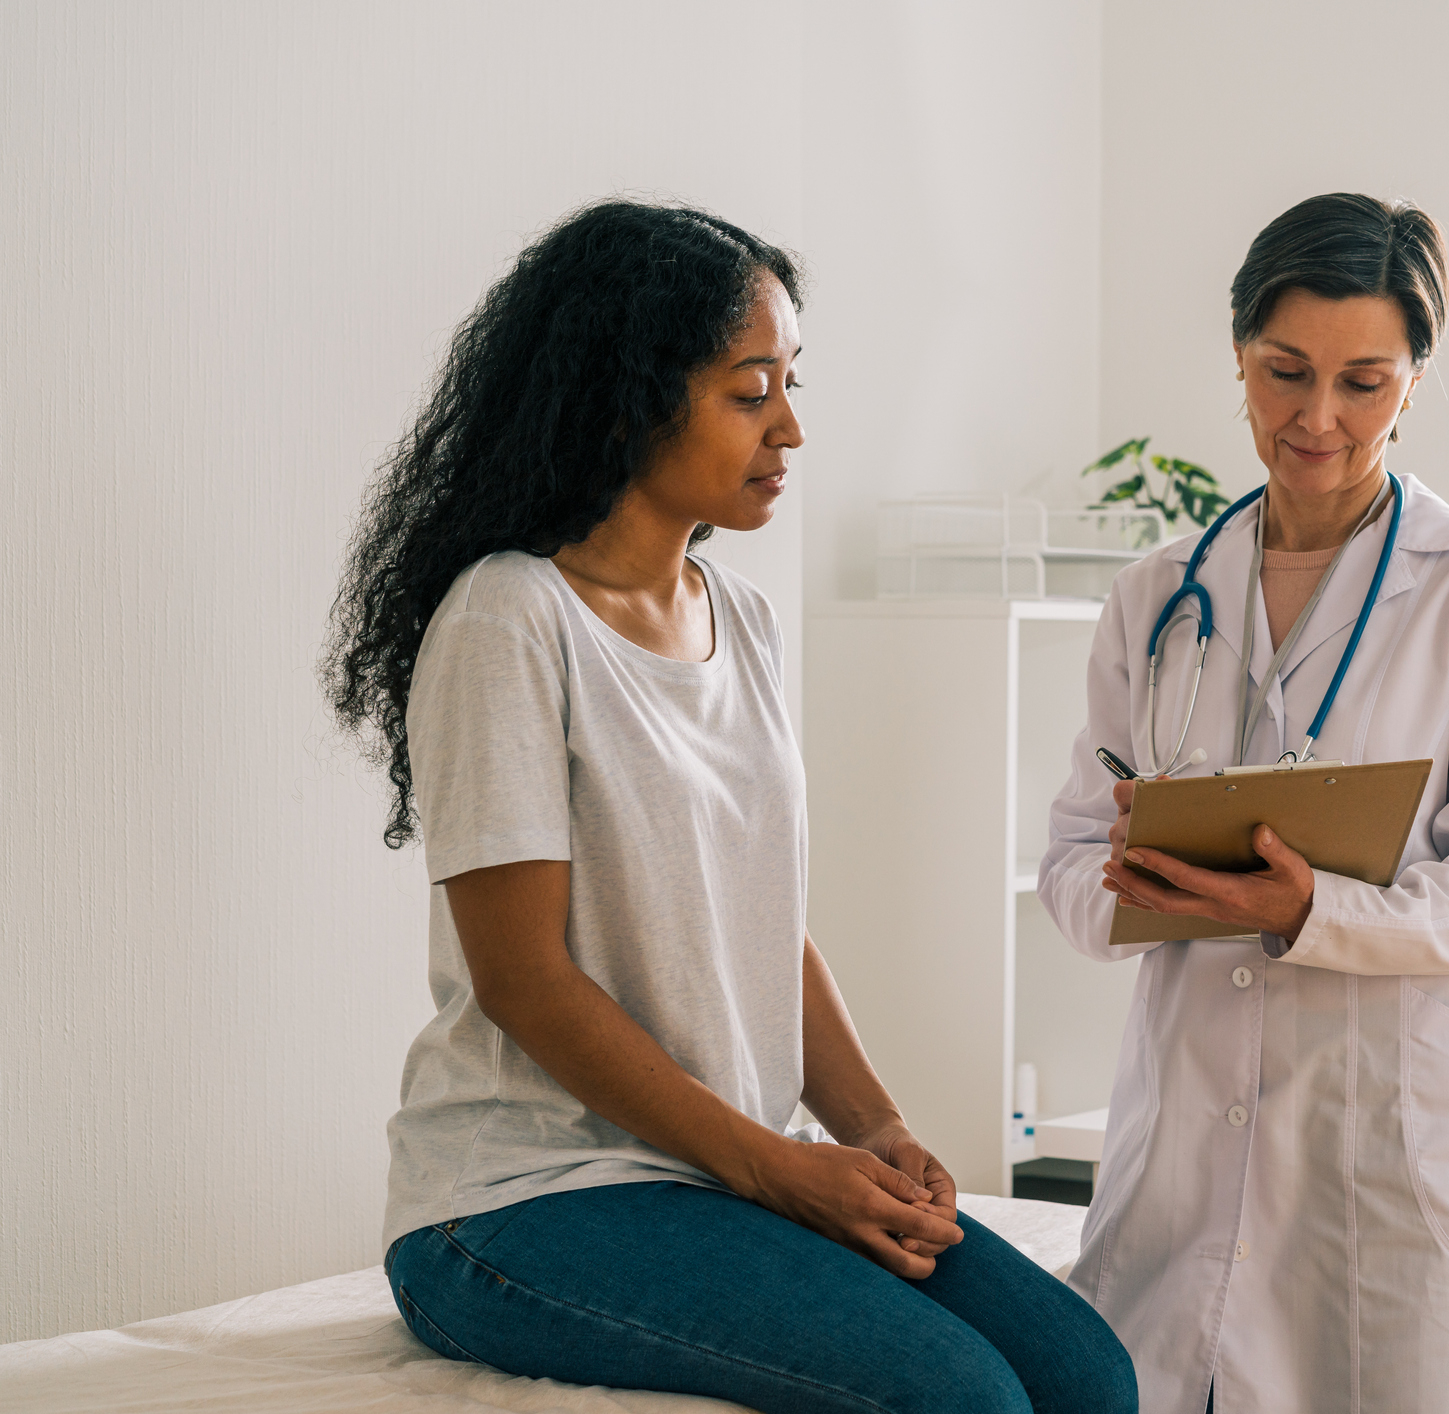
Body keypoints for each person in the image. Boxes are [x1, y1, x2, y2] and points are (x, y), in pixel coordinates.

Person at [324, 199, 1135, 1414]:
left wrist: (870, 1128)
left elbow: (766, 921)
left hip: (707, 1174)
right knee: (960, 1399)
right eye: (750, 391)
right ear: (629, 396)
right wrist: (775, 1170)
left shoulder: (740, 617)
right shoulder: (509, 619)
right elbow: (521, 981)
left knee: (1089, 1374)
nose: (791, 427)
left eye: (789, 384)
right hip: (520, 1200)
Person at [1038, 193, 1449, 1413]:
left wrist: (1311, 908)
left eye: (1363, 382)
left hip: (1403, 1139)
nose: (1316, 418)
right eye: (1283, 372)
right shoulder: (1156, 596)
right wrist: (1127, 884)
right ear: (1236, 353)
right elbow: (1072, 857)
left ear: (1414, 380)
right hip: (1188, 1141)